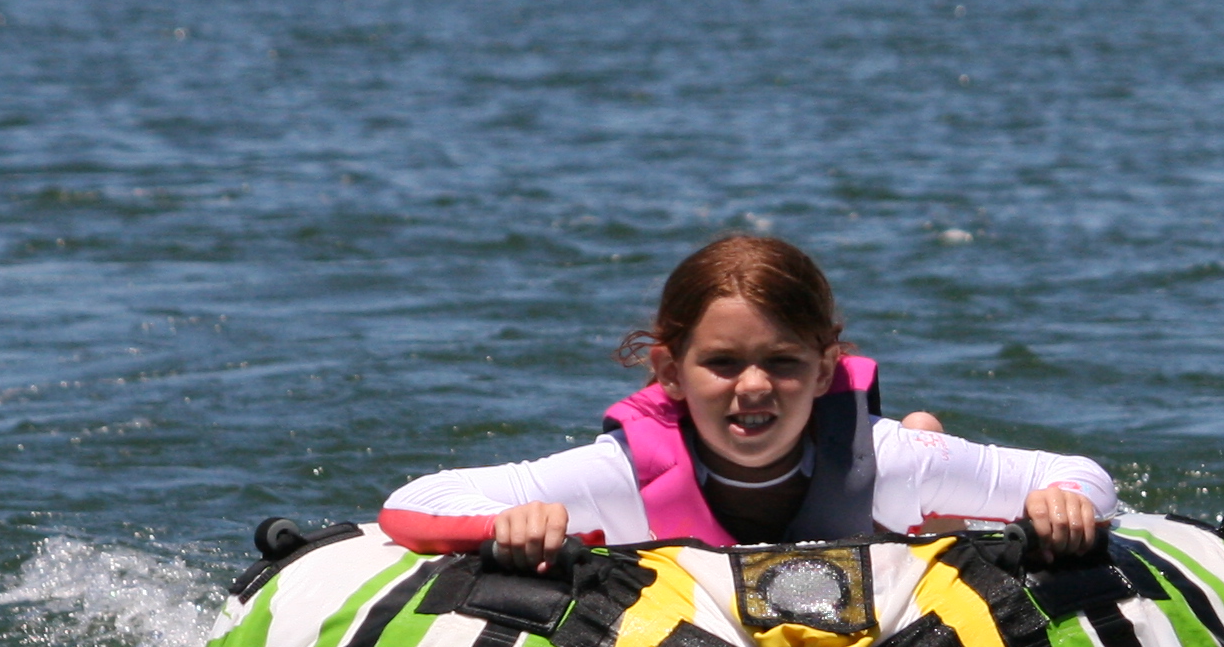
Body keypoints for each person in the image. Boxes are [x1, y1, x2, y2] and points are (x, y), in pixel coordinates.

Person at [381, 235, 1115, 561]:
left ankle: (933, 460)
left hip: (890, 519)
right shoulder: (623, 477)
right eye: (722, 364)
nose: (754, 386)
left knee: (922, 470)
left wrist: (1063, 505)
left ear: (826, 370)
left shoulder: (886, 463)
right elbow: (411, 505)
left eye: (783, 363)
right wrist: (509, 524)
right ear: (669, 373)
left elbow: (1082, 475)